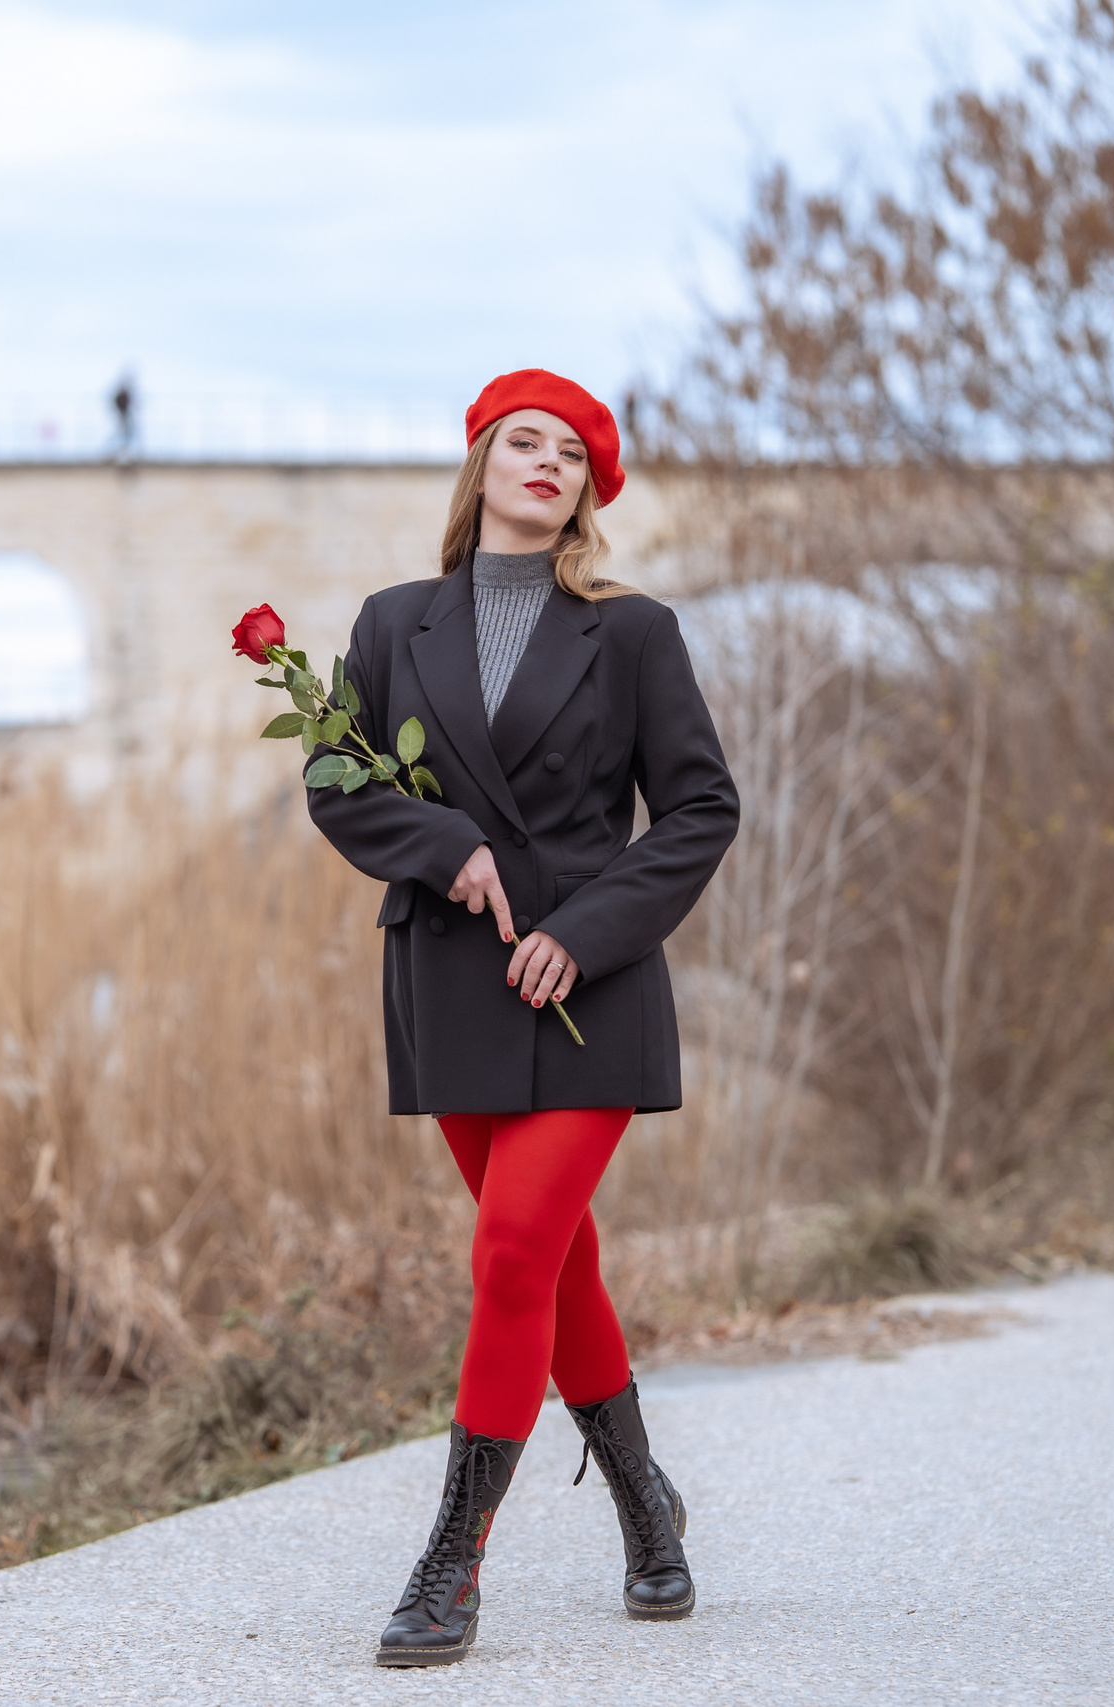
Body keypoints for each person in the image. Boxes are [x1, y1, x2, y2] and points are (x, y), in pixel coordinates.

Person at [305, 369, 739, 1668]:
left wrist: (583, 930)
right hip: (451, 983)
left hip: (588, 990)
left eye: (573, 455)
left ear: (587, 495)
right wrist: (442, 846)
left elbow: (701, 811)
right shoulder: (392, 627)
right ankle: (646, 1502)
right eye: (526, 442)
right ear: (485, 463)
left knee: (508, 1257)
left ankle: (453, 1564)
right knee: (552, 1263)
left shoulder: (635, 632)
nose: (548, 463)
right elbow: (337, 781)